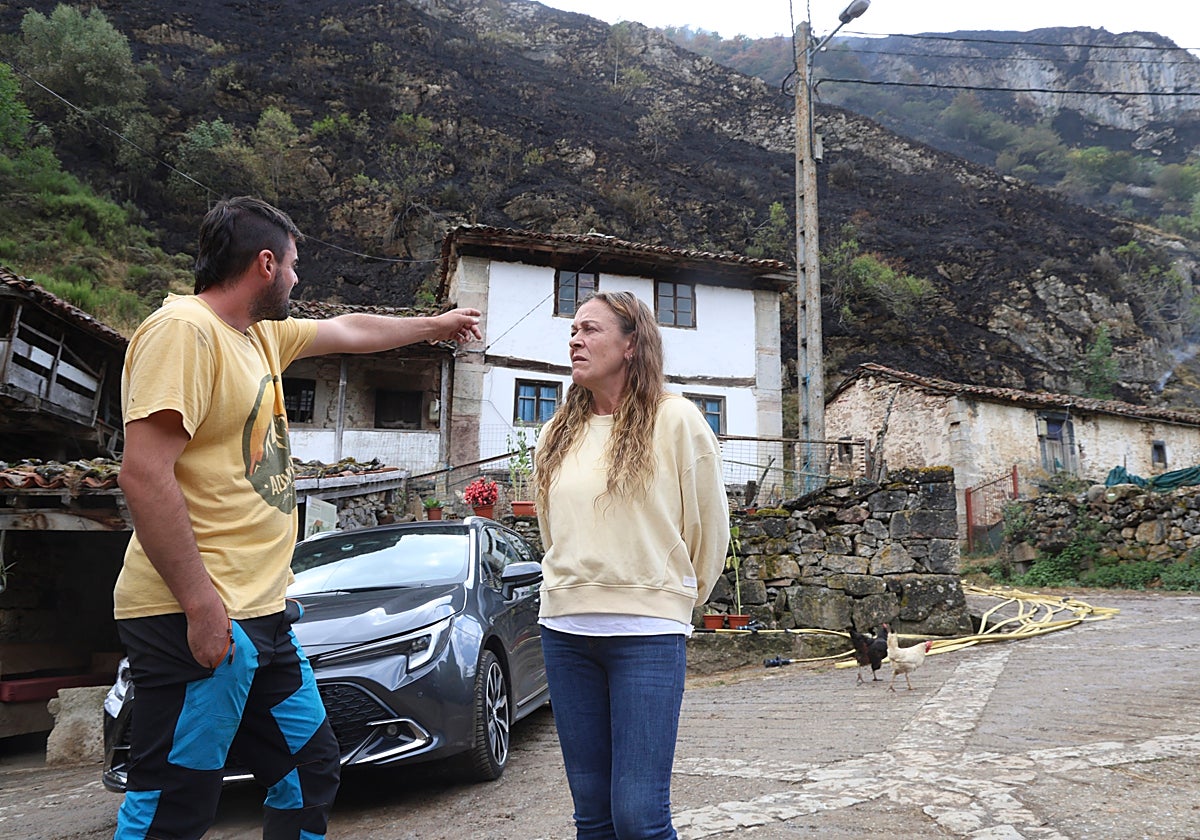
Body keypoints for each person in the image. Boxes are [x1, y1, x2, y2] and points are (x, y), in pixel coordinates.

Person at [112, 195, 481, 840]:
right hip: (193, 616)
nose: (297, 278)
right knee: (174, 804)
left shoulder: (257, 337)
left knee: (309, 774)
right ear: (263, 264)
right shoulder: (184, 332)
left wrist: (435, 326)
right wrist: (201, 606)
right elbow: (143, 474)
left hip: (264, 616)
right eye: (293, 264)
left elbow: (351, 329)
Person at [533, 290, 730, 840]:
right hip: (565, 634)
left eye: (591, 329)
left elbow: (708, 529)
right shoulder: (554, 435)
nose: (575, 338)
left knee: (639, 819)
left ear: (631, 343)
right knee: (592, 818)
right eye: (572, 329)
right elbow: (554, 533)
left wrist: (671, 600)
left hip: (647, 635)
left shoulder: (677, 420)